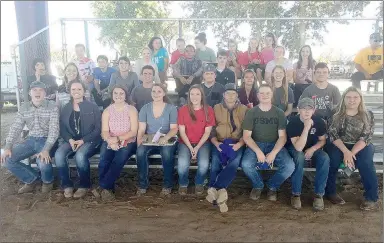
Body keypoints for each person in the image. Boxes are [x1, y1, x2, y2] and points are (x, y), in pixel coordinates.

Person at [1, 81, 59, 194]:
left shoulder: (52, 106)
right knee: (6, 159)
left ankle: (48, 182)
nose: (38, 92)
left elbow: (54, 131)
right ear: (29, 93)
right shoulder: (24, 108)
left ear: (45, 93)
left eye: (41, 90)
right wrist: (8, 146)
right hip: (31, 140)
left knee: (42, 161)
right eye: (34, 90)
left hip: (47, 140)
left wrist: (46, 149)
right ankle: (32, 179)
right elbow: (15, 128)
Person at [325, 87, 378, 211]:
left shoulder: (367, 114)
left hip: (361, 145)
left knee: (365, 163)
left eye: (355, 97)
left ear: (360, 99)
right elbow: (333, 135)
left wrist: (351, 153)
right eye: (348, 97)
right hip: (339, 144)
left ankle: (371, 197)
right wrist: (345, 152)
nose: (352, 100)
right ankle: (331, 192)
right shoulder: (335, 113)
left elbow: (366, 137)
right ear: (343, 99)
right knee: (332, 160)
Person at [241, 84, 295, 202]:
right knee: (246, 164)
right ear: (257, 95)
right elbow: (246, 136)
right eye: (261, 93)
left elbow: (282, 137)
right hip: (256, 144)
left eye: (267, 93)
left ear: (272, 95)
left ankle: (272, 186)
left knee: (289, 167)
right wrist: (258, 152)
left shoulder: (279, 112)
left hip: (275, 144)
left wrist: (273, 153)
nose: (264, 95)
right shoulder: (251, 112)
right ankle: (258, 185)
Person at [54, 80, 101, 199]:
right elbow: (63, 127)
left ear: (84, 91)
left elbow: (98, 129)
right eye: (73, 89)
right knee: (59, 154)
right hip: (72, 140)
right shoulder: (66, 107)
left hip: (90, 140)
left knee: (80, 155)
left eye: (79, 89)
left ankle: (84, 185)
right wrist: (69, 139)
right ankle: (67, 185)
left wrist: (83, 140)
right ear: (69, 91)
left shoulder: (92, 107)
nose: (76, 92)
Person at [207, 83, 248, 213]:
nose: (230, 96)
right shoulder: (216, 108)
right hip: (220, 142)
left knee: (234, 162)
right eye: (228, 93)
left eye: (233, 94)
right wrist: (216, 143)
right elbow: (212, 129)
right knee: (215, 163)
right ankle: (220, 195)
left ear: (237, 96)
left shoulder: (244, 109)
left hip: (237, 142)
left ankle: (215, 189)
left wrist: (240, 144)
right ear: (224, 95)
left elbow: (247, 130)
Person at [286, 97, 329, 211]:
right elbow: (298, 147)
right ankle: (296, 194)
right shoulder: (293, 122)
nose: (306, 111)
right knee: (299, 157)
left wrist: (313, 149)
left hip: (312, 148)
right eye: (303, 108)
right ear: (298, 109)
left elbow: (322, 140)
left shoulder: (319, 121)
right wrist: (306, 127)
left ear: (313, 110)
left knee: (324, 158)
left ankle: (319, 195)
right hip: (295, 148)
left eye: (309, 109)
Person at [97, 84, 138, 201]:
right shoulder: (107, 111)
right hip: (110, 139)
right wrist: (110, 140)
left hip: (128, 140)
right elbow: (104, 131)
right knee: (104, 159)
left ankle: (103, 186)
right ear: (112, 95)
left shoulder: (131, 109)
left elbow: (133, 131)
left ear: (125, 96)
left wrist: (118, 139)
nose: (118, 96)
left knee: (118, 160)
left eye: (121, 93)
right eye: (115, 93)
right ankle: (107, 189)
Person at [136, 84, 178, 196]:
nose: (156, 94)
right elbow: (141, 128)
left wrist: (166, 138)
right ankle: (142, 184)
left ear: (164, 93)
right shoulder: (145, 108)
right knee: (140, 152)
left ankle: (167, 185)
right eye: (153, 91)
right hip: (150, 139)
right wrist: (140, 138)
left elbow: (174, 129)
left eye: (159, 91)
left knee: (167, 153)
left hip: (166, 139)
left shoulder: (171, 108)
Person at [177, 85, 215, 196]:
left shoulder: (208, 110)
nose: (195, 97)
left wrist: (197, 147)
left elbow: (207, 132)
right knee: (182, 165)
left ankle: (199, 182)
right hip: (185, 142)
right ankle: (183, 183)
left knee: (204, 164)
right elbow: (182, 132)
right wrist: (190, 147)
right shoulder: (183, 110)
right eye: (192, 94)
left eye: (197, 94)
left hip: (203, 143)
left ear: (202, 96)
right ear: (188, 96)